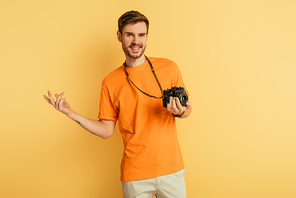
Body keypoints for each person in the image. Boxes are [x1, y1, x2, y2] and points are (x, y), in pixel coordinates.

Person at [43, 10, 192, 198]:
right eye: (129, 34)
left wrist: (181, 111)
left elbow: (188, 108)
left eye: (141, 35)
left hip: (171, 168)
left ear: (147, 37)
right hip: (135, 174)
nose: (136, 41)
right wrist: (71, 113)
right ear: (119, 36)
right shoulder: (110, 81)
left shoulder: (169, 68)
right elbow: (106, 130)